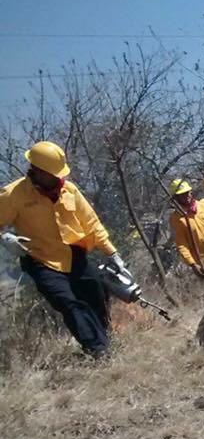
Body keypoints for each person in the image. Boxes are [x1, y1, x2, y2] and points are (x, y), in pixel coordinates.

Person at [0, 141, 131, 359]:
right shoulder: (12, 195)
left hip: (74, 256)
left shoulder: (70, 190)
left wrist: (112, 253)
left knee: (96, 294)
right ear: (38, 171)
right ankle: (98, 351)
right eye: (53, 174)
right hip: (41, 261)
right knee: (68, 303)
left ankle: (105, 339)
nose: (59, 178)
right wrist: (5, 238)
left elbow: (92, 223)